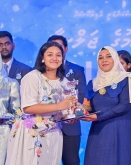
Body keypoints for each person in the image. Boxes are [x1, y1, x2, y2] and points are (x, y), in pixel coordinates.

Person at [5, 41, 77, 165]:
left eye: (58, 55)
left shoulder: (64, 81)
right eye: (50, 55)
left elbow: (64, 110)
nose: (54, 58)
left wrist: (70, 116)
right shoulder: (32, 77)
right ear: (42, 58)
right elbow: (28, 107)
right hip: (31, 133)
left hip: (53, 133)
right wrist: (59, 106)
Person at [81, 46, 131, 165]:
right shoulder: (93, 83)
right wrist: (79, 111)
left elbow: (125, 105)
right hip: (99, 133)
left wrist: (98, 117)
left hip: (123, 131)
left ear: (115, 59)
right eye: (100, 58)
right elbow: (88, 106)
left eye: (108, 56)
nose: (104, 60)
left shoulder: (126, 78)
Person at [47, 35, 86, 165]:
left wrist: (73, 113)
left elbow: (82, 95)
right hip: (47, 125)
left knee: (71, 161)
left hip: (71, 124)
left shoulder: (77, 70)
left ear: (66, 49)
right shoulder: (39, 73)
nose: (55, 52)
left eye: (59, 47)